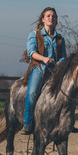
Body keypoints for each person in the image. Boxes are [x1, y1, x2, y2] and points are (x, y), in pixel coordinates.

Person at [21, 7, 67, 135]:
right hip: (39, 68)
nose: (51, 18)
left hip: (55, 70)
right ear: (43, 19)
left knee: (70, 90)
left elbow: (64, 55)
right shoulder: (35, 34)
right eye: (48, 16)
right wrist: (44, 59)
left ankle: (68, 122)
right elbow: (32, 52)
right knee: (32, 93)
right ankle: (28, 123)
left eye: (53, 16)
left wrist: (60, 63)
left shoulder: (60, 38)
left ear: (56, 20)